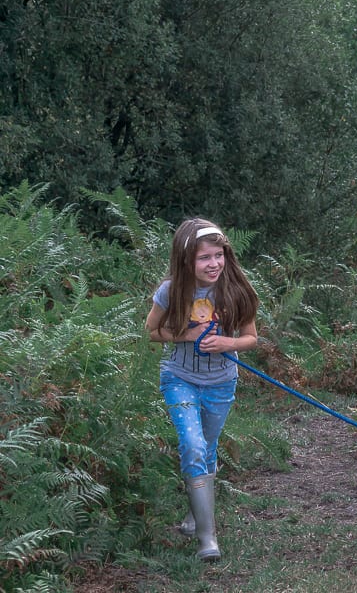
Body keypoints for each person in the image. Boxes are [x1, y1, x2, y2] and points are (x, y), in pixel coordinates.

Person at [145, 218, 259, 561]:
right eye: (204, 258)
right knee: (193, 445)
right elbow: (151, 331)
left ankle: (196, 516)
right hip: (179, 378)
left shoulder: (235, 289)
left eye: (218, 255)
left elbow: (251, 337)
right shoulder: (170, 291)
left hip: (222, 382)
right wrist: (186, 335)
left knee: (207, 448)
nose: (213, 264)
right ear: (186, 261)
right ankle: (208, 540)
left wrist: (228, 342)